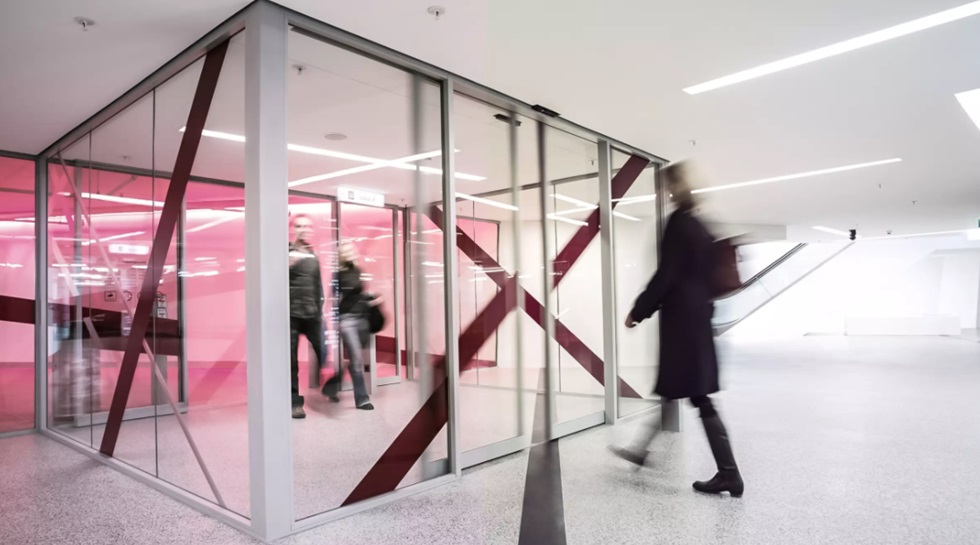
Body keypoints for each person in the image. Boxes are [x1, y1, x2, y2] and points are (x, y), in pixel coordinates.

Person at [610, 161, 744, 497]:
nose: (663, 190)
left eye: (665, 184)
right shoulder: (698, 224)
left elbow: (666, 275)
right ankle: (640, 451)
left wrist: (639, 310)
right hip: (697, 320)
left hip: (682, 323)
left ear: (672, 187)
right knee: (676, 390)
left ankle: (729, 473)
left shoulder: (678, 223)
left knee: (695, 395)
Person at [321, 241, 375, 410]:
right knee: (356, 358)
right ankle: (362, 399)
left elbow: (361, 294)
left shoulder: (358, 271)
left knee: (355, 359)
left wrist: (371, 299)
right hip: (347, 320)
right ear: (342, 256)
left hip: (362, 320)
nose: (351, 253)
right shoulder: (338, 275)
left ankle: (331, 386)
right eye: (346, 251)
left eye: (352, 250)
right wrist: (330, 319)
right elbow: (332, 298)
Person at [288, 214, 326, 419]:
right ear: (293, 229)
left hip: (312, 315)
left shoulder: (313, 255)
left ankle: (329, 383)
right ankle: (295, 403)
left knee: (323, 349)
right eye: (299, 226)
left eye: (307, 226)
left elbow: (318, 285)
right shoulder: (285, 252)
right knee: (291, 362)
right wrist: (286, 265)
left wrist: (320, 309)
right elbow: (273, 277)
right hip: (291, 316)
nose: (304, 229)